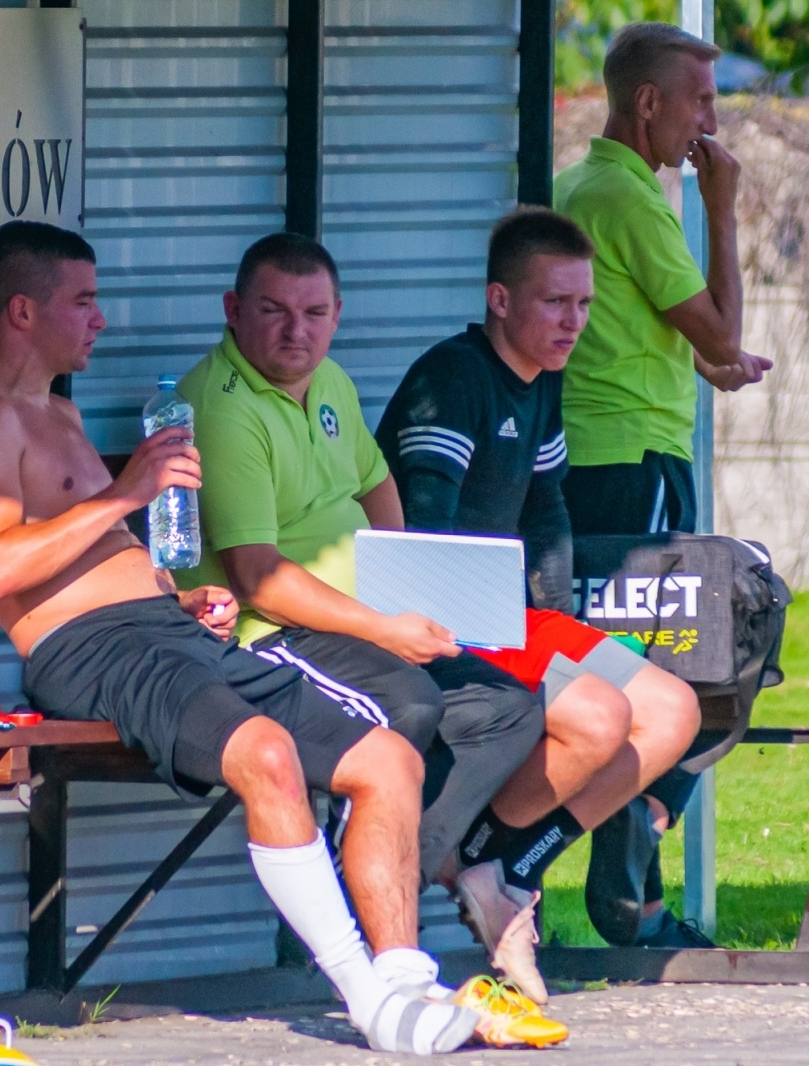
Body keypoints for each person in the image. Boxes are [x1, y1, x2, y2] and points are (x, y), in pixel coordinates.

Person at [0, 220, 480, 1055]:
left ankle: (404, 979)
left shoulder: (55, 415)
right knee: (266, 755)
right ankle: (366, 995)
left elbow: (95, 550)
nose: (101, 319)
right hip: (90, 650)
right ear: (20, 311)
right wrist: (125, 494)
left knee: (388, 759)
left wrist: (183, 598)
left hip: (164, 630)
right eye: (83, 301)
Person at [175, 233, 570, 1004]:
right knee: (414, 702)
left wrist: (406, 583)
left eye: (315, 313)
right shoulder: (222, 410)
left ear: (338, 315)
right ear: (232, 311)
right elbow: (257, 580)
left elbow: (375, 484)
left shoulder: (330, 383)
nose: (298, 331)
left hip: (362, 620)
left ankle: (414, 866)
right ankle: (394, 913)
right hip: (271, 636)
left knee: (505, 706)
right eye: (274, 312)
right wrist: (386, 628)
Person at [377, 207, 705, 964]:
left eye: (585, 303)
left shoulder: (542, 381)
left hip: (513, 618)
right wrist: (520, 634)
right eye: (556, 303)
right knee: (603, 711)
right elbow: (424, 529)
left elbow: (547, 507)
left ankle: (506, 864)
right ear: (500, 300)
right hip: (444, 625)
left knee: (674, 709)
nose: (574, 322)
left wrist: (563, 626)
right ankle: (477, 861)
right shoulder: (453, 379)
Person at [553, 21, 772, 947]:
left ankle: (634, 853)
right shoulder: (634, 196)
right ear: (649, 103)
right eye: (700, 101)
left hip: (620, 450)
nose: (709, 124)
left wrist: (705, 360)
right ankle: (634, 841)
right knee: (700, 650)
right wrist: (722, 209)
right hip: (628, 462)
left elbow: (660, 334)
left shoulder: (587, 186)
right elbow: (717, 329)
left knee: (667, 654)